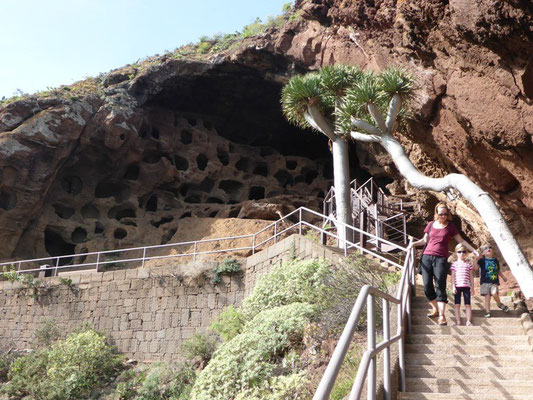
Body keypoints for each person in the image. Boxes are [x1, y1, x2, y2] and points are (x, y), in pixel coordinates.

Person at [409, 202, 478, 325]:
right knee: (426, 286)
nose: (443, 217)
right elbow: (424, 240)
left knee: (440, 284)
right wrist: (413, 244)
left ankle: (442, 315)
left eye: (446, 214)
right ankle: (435, 308)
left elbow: (460, 240)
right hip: (426, 257)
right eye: (441, 214)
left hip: (441, 258)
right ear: (436, 214)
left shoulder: (450, 226)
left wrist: (473, 250)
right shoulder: (430, 225)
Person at [475, 243, 509, 317]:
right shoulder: (482, 260)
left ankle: (499, 303)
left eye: (490, 247)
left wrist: (503, 277)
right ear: (483, 253)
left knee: (494, 293)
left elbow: (498, 270)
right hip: (485, 282)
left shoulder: (495, 260)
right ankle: (488, 312)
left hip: (494, 281)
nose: (488, 249)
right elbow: (476, 268)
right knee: (487, 297)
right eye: (486, 248)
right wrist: (476, 259)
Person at [450, 244, 475, 326]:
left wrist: (472, 287)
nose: (461, 253)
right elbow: (453, 276)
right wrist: (453, 286)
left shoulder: (468, 264)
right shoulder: (454, 264)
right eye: (459, 252)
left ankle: (468, 321)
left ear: (466, 253)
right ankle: (458, 321)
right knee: (457, 304)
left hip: (466, 286)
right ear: (456, 253)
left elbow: (471, 276)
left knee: (468, 304)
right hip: (457, 286)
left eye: (463, 252)